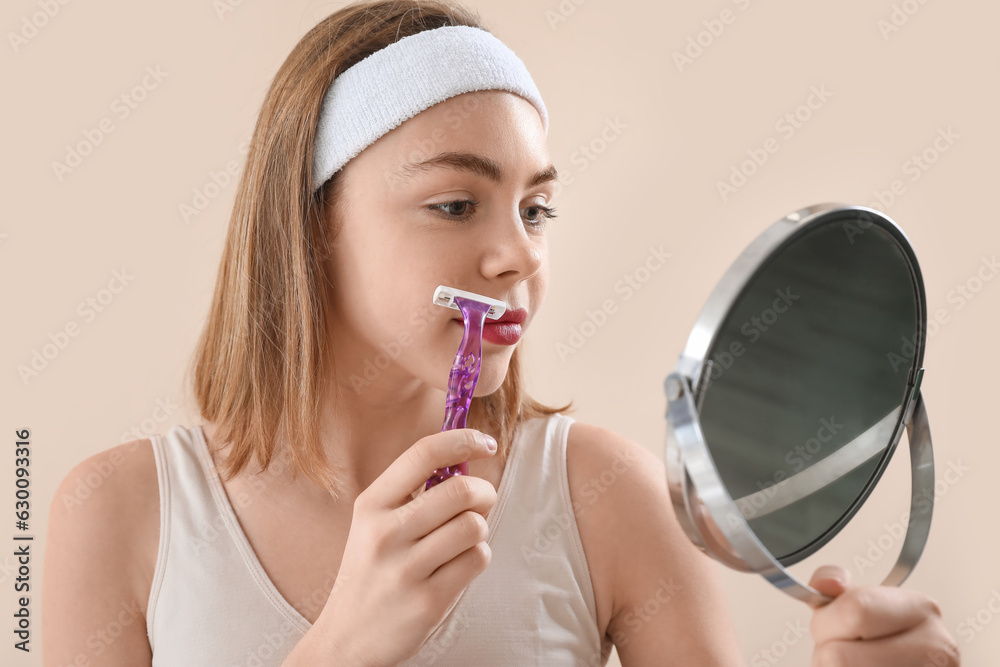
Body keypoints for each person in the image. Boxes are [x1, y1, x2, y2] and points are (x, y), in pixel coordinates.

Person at [42, 1, 960, 665]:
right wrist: (342, 648)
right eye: (454, 203)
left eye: (537, 208)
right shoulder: (119, 514)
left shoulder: (605, 499)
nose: (513, 254)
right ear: (310, 224)